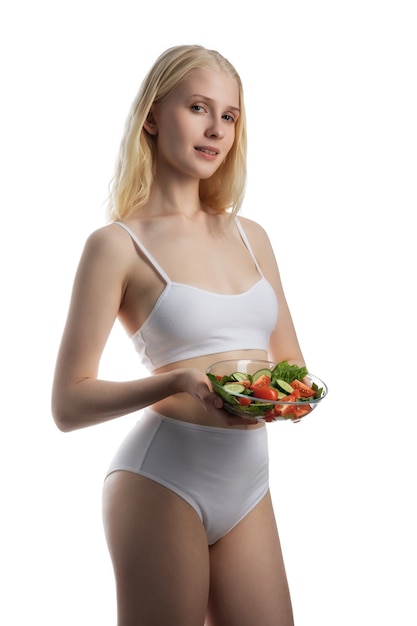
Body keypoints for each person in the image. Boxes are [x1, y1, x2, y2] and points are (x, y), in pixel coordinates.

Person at [52, 44, 306, 626]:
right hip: (161, 479)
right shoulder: (116, 245)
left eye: (230, 115)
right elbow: (68, 404)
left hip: (248, 480)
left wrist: (289, 400)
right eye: (198, 107)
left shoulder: (251, 236)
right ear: (152, 116)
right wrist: (181, 382)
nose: (216, 128)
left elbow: (289, 357)